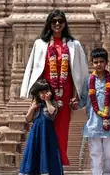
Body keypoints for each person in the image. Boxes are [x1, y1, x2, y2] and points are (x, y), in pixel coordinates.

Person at [20, 10, 90, 166]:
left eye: (60, 21)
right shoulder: (40, 44)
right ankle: (44, 159)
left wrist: (78, 96)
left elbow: (80, 72)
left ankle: (58, 159)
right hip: (45, 92)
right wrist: (33, 95)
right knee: (44, 123)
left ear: (65, 24)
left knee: (62, 126)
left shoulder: (74, 45)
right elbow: (33, 68)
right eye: (54, 21)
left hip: (65, 92)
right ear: (49, 24)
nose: (57, 24)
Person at [78, 48, 110, 175]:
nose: (99, 64)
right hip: (93, 123)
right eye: (96, 62)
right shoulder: (88, 80)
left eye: (102, 61)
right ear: (92, 63)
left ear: (107, 62)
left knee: (109, 154)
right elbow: (84, 99)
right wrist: (75, 105)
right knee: (95, 153)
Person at [19, 79, 64, 175]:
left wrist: (47, 100)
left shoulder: (53, 103)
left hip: (47, 134)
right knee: (33, 152)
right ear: (38, 94)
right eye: (42, 92)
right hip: (35, 133)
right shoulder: (35, 105)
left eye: (46, 92)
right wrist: (32, 108)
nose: (44, 94)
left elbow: (52, 112)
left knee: (48, 153)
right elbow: (28, 119)